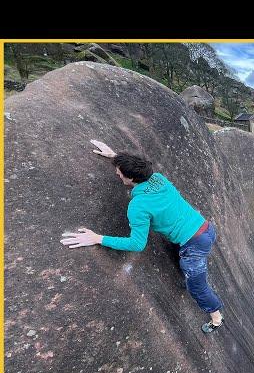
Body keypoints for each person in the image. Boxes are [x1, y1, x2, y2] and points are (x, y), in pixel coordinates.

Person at [60, 140, 224, 334]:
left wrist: (98, 239)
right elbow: (140, 171)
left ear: (131, 179)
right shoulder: (158, 178)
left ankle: (216, 318)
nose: (117, 174)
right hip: (205, 228)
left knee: (197, 287)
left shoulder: (138, 206)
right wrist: (116, 158)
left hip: (194, 246)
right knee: (188, 260)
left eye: (120, 173)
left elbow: (137, 244)